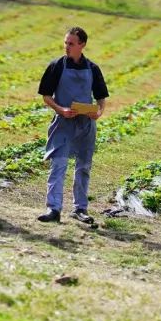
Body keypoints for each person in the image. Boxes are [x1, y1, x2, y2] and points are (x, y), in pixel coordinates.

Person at [36, 26, 109, 224]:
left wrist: (99, 113)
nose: (66, 47)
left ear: (82, 45)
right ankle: (53, 209)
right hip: (63, 123)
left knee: (83, 167)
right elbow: (46, 96)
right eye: (65, 43)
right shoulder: (57, 65)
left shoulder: (93, 69)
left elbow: (101, 97)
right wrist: (61, 109)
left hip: (85, 125)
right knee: (58, 165)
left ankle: (80, 209)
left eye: (71, 44)